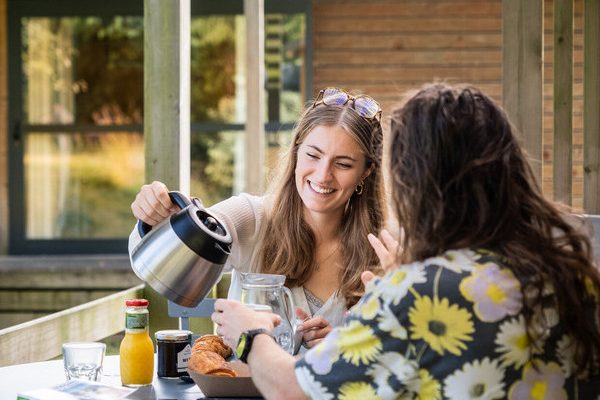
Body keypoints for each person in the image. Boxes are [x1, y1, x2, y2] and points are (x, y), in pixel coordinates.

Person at [211, 83, 600, 399]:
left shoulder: (419, 291)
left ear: (416, 182)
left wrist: (252, 334)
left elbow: (291, 389)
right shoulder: (570, 272)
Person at [129, 87, 386, 350]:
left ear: (366, 171)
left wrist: (347, 345)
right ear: (296, 151)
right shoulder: (253, 218)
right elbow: (166, 251)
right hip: (246, 389)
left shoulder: (384, 249)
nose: (322, 175)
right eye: (313, 155)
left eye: (343, 164)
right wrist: (157, 217)